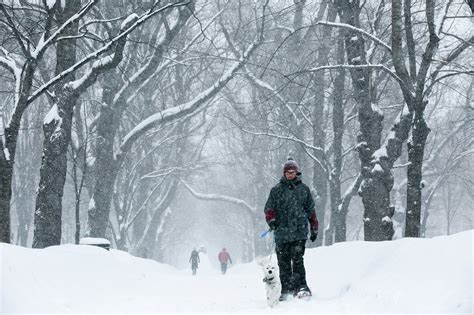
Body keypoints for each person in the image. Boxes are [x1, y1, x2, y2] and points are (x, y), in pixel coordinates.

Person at [264, 158, 318, 301]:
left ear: (296, 172)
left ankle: (301, 288)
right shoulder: (276, 190)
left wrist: (314, 228)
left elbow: (311, 211)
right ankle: (286, 290)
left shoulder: (304, 190)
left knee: (298, 260)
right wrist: (272, 221)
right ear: (284, 173)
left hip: (299, 233)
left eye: (292, 172)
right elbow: (269, 209)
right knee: (284, 263)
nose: (290, 174)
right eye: (287, 172)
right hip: (281, 234)